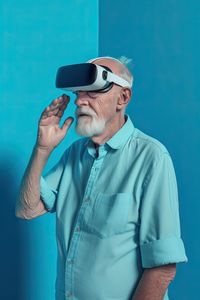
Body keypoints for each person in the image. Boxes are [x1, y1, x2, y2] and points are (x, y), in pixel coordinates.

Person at [15, 56, 188, 300]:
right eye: (78, 93)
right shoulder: (74, 154)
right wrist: (42, 149)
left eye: (93, 93)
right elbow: (27, 209)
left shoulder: (152, 157)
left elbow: (162, 268)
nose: (80, 101)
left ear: (123, 98)